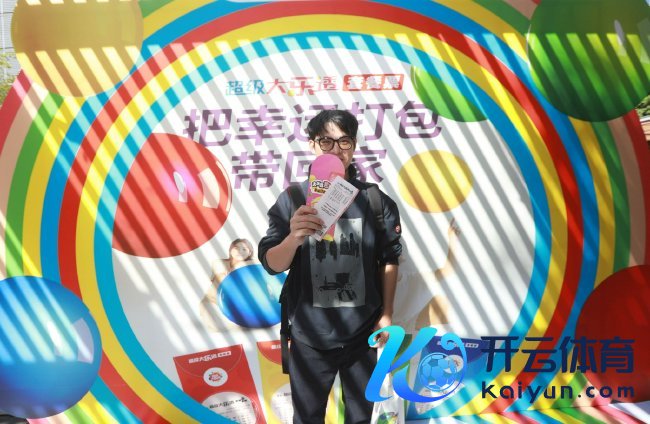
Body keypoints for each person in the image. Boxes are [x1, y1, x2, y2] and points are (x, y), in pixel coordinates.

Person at [258, 109, 402, 423]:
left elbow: (390, 259)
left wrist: (387, 313)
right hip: (310, 335)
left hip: (363, 334)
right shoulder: (294, 199)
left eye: (344, 141)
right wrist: (294, 237)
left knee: (361, 417)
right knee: (307, 417)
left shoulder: (375, 201)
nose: (336, 150)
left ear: (354, 145)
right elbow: (271, 264)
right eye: (326, 142)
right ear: (312, 145)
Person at [200, 238, 257, 331]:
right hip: (215, 299)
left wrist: (241, 265)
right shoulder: (219, 263)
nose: (240, 251)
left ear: (250, 252)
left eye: (244, 249)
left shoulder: (252, 264)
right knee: (209, 314)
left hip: (240, 301)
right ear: (230, 250)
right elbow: (222, 280)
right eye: (236, 248)